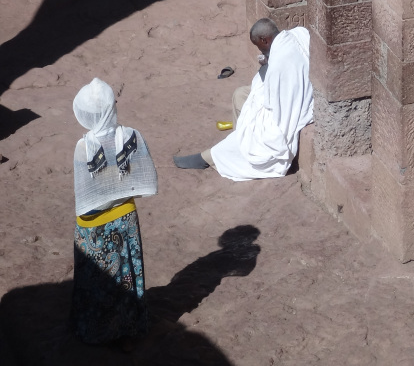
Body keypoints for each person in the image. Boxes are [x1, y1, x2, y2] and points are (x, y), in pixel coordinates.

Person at [71, 78, 158, 346]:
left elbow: (86, 194)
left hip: (92, 224)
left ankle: (95, 332)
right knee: (127, 276)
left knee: (96, 279)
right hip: (125, 217)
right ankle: (127, 329)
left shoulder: (84, 148)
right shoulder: (131, 137)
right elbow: (141, 174)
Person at [173, 19, 313, 181]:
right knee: (240, 95)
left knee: (255, 123)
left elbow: (278, 104)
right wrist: (268, 61)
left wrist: (258, 101)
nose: (259, 49)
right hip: (281, 91)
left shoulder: (281, 61)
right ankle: (240, 140)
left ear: (265, 40)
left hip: (286, 106)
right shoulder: (297, 33)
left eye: (259, 46)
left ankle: (209, 157)